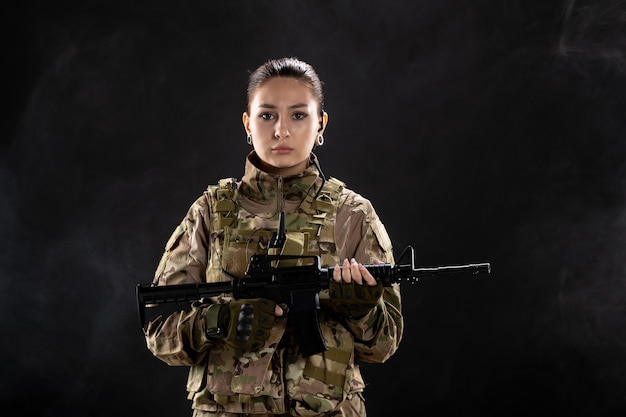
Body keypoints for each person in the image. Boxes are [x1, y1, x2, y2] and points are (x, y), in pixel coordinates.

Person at [143, 57, 403, 417]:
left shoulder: (352, 214)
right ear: (247, 123)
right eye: (267, 115)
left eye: (298, 115)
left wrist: (361, 310)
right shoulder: (209, 212)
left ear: (321, 124)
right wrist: (218, 321)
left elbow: (385, 343)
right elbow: (159, 329)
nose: (281, 130)